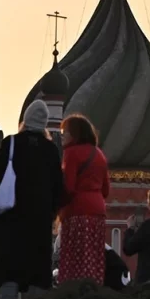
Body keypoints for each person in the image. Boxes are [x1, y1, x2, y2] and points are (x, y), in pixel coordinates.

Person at [0, 100, 64, 299]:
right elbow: (58, 186)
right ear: (44, 124)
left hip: (11, 216)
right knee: (36, 268)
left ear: (25, 120)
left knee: (9, 268)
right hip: (38, 219)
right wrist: (52, 212)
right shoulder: (50, 150)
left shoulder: (10, 144)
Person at [57, 114, 110, 285]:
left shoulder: (71, 153)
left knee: (74, 261)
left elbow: (69, 187)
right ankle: (93, 293)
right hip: (98, 213)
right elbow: (106, 189)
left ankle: (74, 297)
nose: (62, 135)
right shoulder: (99, 154)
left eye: (66, 132)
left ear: (75, 134)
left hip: (77, 212)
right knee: (93, 260)